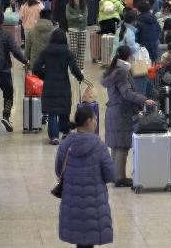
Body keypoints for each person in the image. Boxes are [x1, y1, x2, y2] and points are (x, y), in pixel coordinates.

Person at [55, 106, 115, 248]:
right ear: (88, 122)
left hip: (72, 202)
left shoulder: (65, 144)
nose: (96, 122)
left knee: (80, 241)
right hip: (94, 205)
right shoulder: (99, 146)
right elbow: (111, 175)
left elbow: (58, 171)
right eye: (95, 119)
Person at [101, 45, 154, 187]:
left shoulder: (113, 70)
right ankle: (120, 178)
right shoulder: (122, 72)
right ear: (129, 57)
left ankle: (115, 176)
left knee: (116, 146)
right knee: (122, 146)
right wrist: (144, 100)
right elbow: (127, 93)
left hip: (113, 110)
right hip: (122, 112)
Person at [32, 29, 84, 145]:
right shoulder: (67, 52)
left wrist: (45, 75)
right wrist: (80, 77)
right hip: (63, 84)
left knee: (52, 112)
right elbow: (74, 68)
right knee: (64, 108)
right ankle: (65, 131)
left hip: (49, 85)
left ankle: (54, 136)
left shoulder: (46, 51)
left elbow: (36, 68)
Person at [66, 0, 88, 71]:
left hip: (82, 29)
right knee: (73, 49)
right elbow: (68, 17)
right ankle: (73, 67)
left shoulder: (84, 5)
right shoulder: (68, 5)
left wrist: (76, 17)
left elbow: (85, 16)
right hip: (72, 29)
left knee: (81, 50)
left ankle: (80, 68)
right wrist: (78, 17)